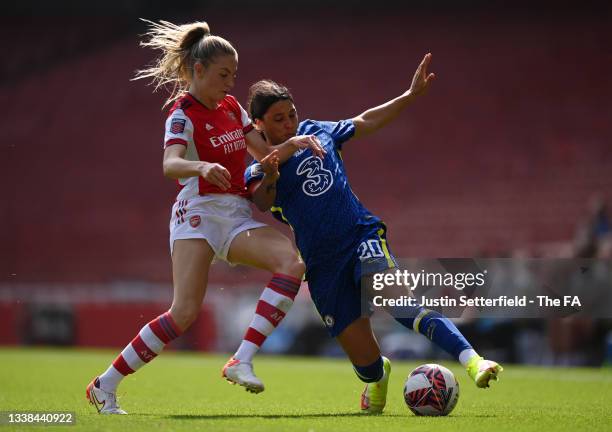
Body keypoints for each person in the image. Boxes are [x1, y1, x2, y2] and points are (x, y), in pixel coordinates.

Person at [230, 54, 503, 414]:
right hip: (323, 265)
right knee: (367, 362)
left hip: (360, 236)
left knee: (403, 306)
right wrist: (271, 172)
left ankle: (473, 361)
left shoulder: (318, 132)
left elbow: (364, 121)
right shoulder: (258, 168)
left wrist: (409, 95)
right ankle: (378, 377)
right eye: (278, 120)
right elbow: (262, 203)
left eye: (291, 114)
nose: (289, 124)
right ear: (259, 126)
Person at [85, 19, 325, 414]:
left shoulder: (231, 107)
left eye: (234, 74)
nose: (231, 83)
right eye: (223, 74)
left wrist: (292, 144)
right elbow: (170, 164)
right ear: (198, 71)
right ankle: (104, 385)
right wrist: (200, 168)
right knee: (183, 313)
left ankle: (241, 359)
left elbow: (261, 153)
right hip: (196, 212)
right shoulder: (182, 114)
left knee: (290, 262)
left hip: (234, 212)